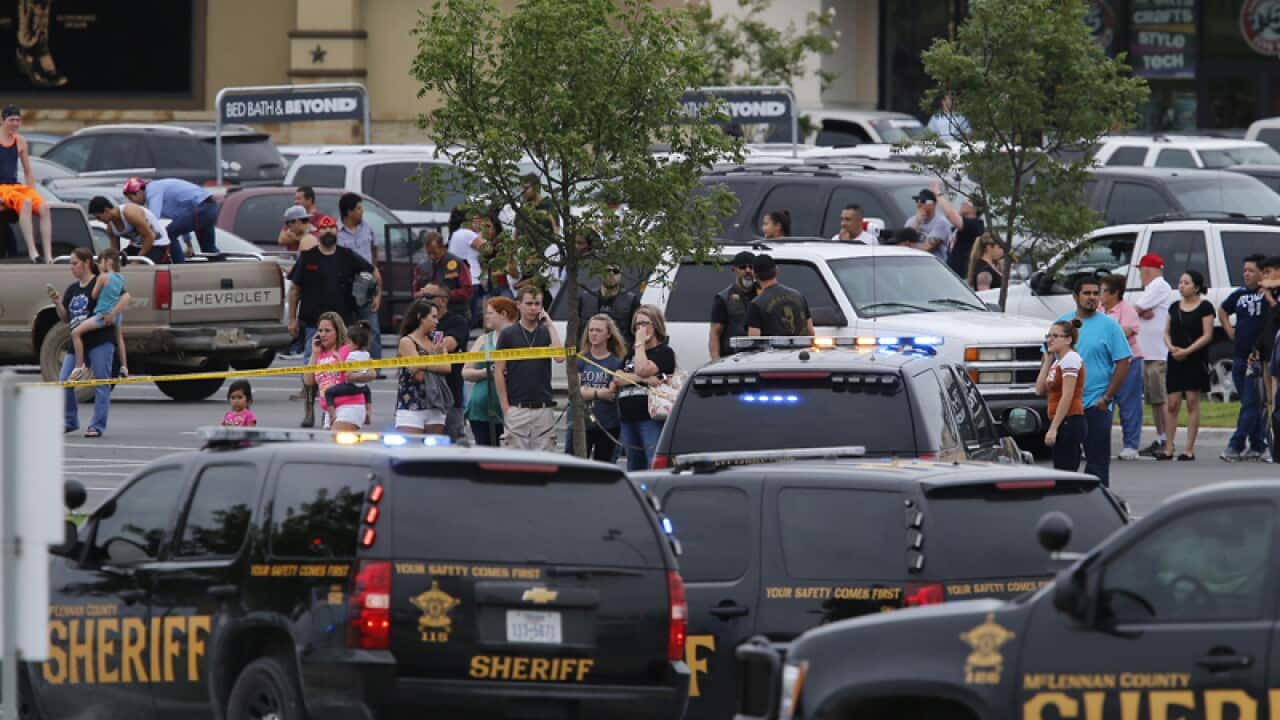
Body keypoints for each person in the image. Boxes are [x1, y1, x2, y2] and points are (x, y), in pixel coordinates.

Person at [287, 209, 375, 427]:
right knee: (313, 366)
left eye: (331, 227)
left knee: (343, 369)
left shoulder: (347, 256)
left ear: (336, 231)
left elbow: (371, 273)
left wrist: (375, 296)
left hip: (343, 324)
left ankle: (347, 406)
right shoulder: (308, 258)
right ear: (318, 232)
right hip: (313, 324)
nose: (328, 231)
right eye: (323, 228)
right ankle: (309, 410)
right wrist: (292, 319)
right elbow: (295, 290)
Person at [1056, 277, 1131, 485]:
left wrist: (1107, 398)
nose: (1092, 298)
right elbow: (1049, 358)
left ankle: (1098, 506)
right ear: (1075, 296)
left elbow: (1124, 362)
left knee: (1097, 465)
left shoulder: (1110, 326)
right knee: (1064, 465)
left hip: (1097, 405)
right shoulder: (1062, 324)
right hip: (1067, 406)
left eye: (1096, 293)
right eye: (1087, 293)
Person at [52, 249, 113, 437]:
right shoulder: (72, 289)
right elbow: (66, 318)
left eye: (75, 263)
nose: (72, 267)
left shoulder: (99, 282)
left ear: (87, 263)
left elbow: (116, 300)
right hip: (77, 341)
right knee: (65, 380)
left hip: (99, 339)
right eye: (70, 263)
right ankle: (70, 420)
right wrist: (57, 303)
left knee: (102, 382)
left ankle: (97, 425)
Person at [495, 287, 564, 450]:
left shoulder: (545, 331)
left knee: (545, 457)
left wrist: (550, 326)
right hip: (517, 407)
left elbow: (560, 357)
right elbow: (498, 371)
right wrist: (506, 407)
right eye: (529, 303)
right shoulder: (508, 334)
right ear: (519, 305)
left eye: (537, 304)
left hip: (543, 407)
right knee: (516, 460)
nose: (533, 308)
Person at [1219, 254, 1269, 461]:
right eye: (1245, 270)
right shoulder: (1239, 294)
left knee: (1250, 403)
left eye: (1251, 270)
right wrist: (1229, 329)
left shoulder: (1268, 295)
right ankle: (1258, 445)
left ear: (1261, 273)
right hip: (1239, 356)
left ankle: (1235, 445)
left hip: (1256, 358)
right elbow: (1222, 309)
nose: (1246, 274)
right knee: (1251, 404)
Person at [613, 305, 675, 470]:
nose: (640, 328)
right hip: (627, 416)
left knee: (652, 462)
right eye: (637, 325)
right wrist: (646, 380)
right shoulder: (629, 355)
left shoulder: (664, 352)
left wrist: (639, 344)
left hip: (650, 417)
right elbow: (617, 378)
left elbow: (641, 368)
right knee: (634, 465)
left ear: (655, 325)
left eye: (644, 323)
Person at [1161, 270, 1215, 462]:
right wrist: (1170, 347)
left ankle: (1189, 449)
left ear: (1197, 287)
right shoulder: (1174, 307)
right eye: (1180, 282)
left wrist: (1187, 351)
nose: (1181, 286)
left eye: (1186, 283)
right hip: (1175, 357)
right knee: (1173, 402)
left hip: (1194, 358)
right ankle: (1168, 447)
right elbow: (1166, 331)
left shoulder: (1205, 307)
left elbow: (1207, 335)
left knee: (1192, 401)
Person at [1133, 253, 1176, 456]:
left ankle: (1167, 440)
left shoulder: (1158, 285)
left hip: (1158, 352)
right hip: (1148, 352)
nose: (1141, 275)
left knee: (1161, 399)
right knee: (1155, 399)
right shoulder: (1152, 288)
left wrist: (1140, 311)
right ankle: (1160, 437)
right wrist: (1141, 312)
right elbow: (1140, 311)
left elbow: (1136, 309)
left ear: (1148, 269)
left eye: (1141, 270)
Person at [418, 283, 471, 443]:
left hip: (450, 394)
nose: (423, 300)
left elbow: (448, 345)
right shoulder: (415, 322)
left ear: (443, 301)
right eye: (421, 296)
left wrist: (418, 346)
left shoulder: (457, 322)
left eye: (428, 297)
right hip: (419, 396)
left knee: (452, 443)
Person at [68, 247, 130, 381]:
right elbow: (123, 296)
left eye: (100, 262)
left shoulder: (103, 277)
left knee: (76, 333)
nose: (98, 265)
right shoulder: (120, 277)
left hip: (102, 314)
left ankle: (79, 365)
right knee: (119, 338)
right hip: (116, 315)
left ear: (107, 262)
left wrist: (100, 287)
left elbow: (94, 295)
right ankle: (124, 366)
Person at [337, 192, 384, 366]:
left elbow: (374, 254)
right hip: (347, 288)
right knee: (348, 329)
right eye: (358, 208)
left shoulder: (368, 228)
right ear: (349, 212)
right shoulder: (337, 232)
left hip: (367, 286)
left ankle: (376, 365)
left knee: (372, 328)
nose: (361, 211)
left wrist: (378, 292)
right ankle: (349, 363)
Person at [464, 297, 518, 446]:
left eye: (490, 313)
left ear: (504, 314)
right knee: (484, 453)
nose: (486, 317)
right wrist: (485, 372)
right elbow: (466, 372)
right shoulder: (483, 340)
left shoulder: (519, 338)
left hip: (511, 407)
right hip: (481, 409)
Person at [0, 105, 51, 263]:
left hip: (15, 185)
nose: (15, 124)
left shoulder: (20, 141)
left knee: (43, 207)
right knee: (25, 202)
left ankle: (49, 256)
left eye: (17, 120)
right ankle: (32, 252)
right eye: (11, 120)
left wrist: (34, 191)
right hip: (2, 187)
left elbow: (28, 171)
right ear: (2, 121)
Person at [1100, 274, 1143, 460]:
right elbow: (1078, 324)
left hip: (1128, 363)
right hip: (1103, 364)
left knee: (1128, 404)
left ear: (1115, 293)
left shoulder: (1127, 310)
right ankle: (1097, 443)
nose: (1099, 295)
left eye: (1103, 291)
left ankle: (1131, 445)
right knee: (1101, 405)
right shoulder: (1098, 309)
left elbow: (1126, 331)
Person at [395, 300, 454, 436]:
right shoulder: (407, 341)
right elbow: (417, 374)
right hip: (412, 405)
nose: (437, 321)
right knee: (411, 449)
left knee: (434, 452)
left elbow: (446, 367)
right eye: (433, 317)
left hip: (435, 404)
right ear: (420, 317)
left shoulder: (436, 340)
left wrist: (424, 363)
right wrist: (434, 358)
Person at [304, 312, 369, 432]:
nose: (322, 334)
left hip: (349, 406)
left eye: (327, 331)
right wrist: (314, 353)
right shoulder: (319, 355)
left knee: (338, 442)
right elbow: (308, 382)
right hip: (329, 410)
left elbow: (370, 371)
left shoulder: (347, 350)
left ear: (337, 332)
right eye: (320, 330)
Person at [1035, 319, 1086, 472]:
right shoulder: (1058, 362)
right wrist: (1048, 361)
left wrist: (1053, 428)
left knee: (1066, 469)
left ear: (1068, 340)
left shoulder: (1071, 358)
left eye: (1055, 336)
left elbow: (1067, 395)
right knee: (1060, 468)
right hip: (1060, 420)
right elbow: (1039, 390)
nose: (1049, 339)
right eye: (1048, 335)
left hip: (1069, 420)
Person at [122, 176, 219, 256]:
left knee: (168, 233)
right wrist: (189, 245)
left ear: (139, 191)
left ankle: (178, 269)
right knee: (209, 250)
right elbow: (181, 219)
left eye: (131, 198)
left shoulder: (152, 189)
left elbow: (152, 220)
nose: (132, 202)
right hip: (209, 208)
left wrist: (136, 242)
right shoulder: (160, 198)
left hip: (203, 208)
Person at [575, 314, 626, 461]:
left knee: (603, 465)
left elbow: (611, 393)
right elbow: (576, 391)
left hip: (607, 424)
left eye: (598, 330)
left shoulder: (616, 362)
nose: (594, 334)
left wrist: (589, 392)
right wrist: (598, 393)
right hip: (582, 424)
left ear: (609, 334)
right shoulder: (581, 359)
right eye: (591, 330)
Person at [88, 195, 182, 264]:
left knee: (139, 265)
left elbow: (150, 237)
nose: (99, 221)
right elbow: (114, 252)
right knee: (120, 262)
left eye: (99, 217)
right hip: (138, 245)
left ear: (106, 210)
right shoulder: (110, 228)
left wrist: (137, 259)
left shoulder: (130, 213)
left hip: (157, 243)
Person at [747, 254, 814, 337]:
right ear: (777, 270)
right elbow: (810, 332)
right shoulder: (799, 297)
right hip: (801, 349)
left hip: (772, 350)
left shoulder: (756, 304)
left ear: (754, 275)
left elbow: (754, 340)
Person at [323, 321, 375, 427]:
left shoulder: (351, 356)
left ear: (355, 344)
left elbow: (346, 372)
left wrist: (338, 359)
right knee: (368, 392)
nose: (348, 345)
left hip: (351, 386)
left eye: (349, 342)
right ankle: (368, 411)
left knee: (329, 392)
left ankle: (332, 414)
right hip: (362, 387)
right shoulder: (366, 354)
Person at [414, 230, 474, 321]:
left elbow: (467, 291)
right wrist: (422, 294)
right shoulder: (421, 267)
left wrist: (443, 294)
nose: (432, 256)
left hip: (456, 314)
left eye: (434, 253)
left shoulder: (457, 263)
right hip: (430, 317)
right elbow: (416, 291)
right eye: (428, 253)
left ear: (443, 248)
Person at [709, 251, 758, 361]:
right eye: (743, 267)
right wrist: (716, 361)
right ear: (734, 269)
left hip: (759, 358)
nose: (748, 270)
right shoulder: (723, 298)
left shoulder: (763, 295)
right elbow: (715, 332)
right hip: (732, 359)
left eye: (751, 267)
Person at [578, 263, 640, 345]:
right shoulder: (585, 298)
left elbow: (637, 331)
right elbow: (574, 331)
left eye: (615, 271)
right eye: (607, 271)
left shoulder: (631, 300)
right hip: (588, 354)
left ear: (621, 275)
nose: (611, 274)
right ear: (600, 274)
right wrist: (573, 354)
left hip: (620, 354)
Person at [449, 206, 487, 322]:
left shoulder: (456, 234)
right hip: (473, 280)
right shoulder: (468, 234)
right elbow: (488, 249)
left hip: (461, 280)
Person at [905, 188, 952, 263]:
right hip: (913, 265)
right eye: (917, 201)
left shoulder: (941, 223)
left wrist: (909, 246)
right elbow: (904, 244)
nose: (919, 204)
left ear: (933, 204)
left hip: (933, 267)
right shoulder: (911, 221)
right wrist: (917, 223)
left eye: (923, 201)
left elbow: (926, 248)